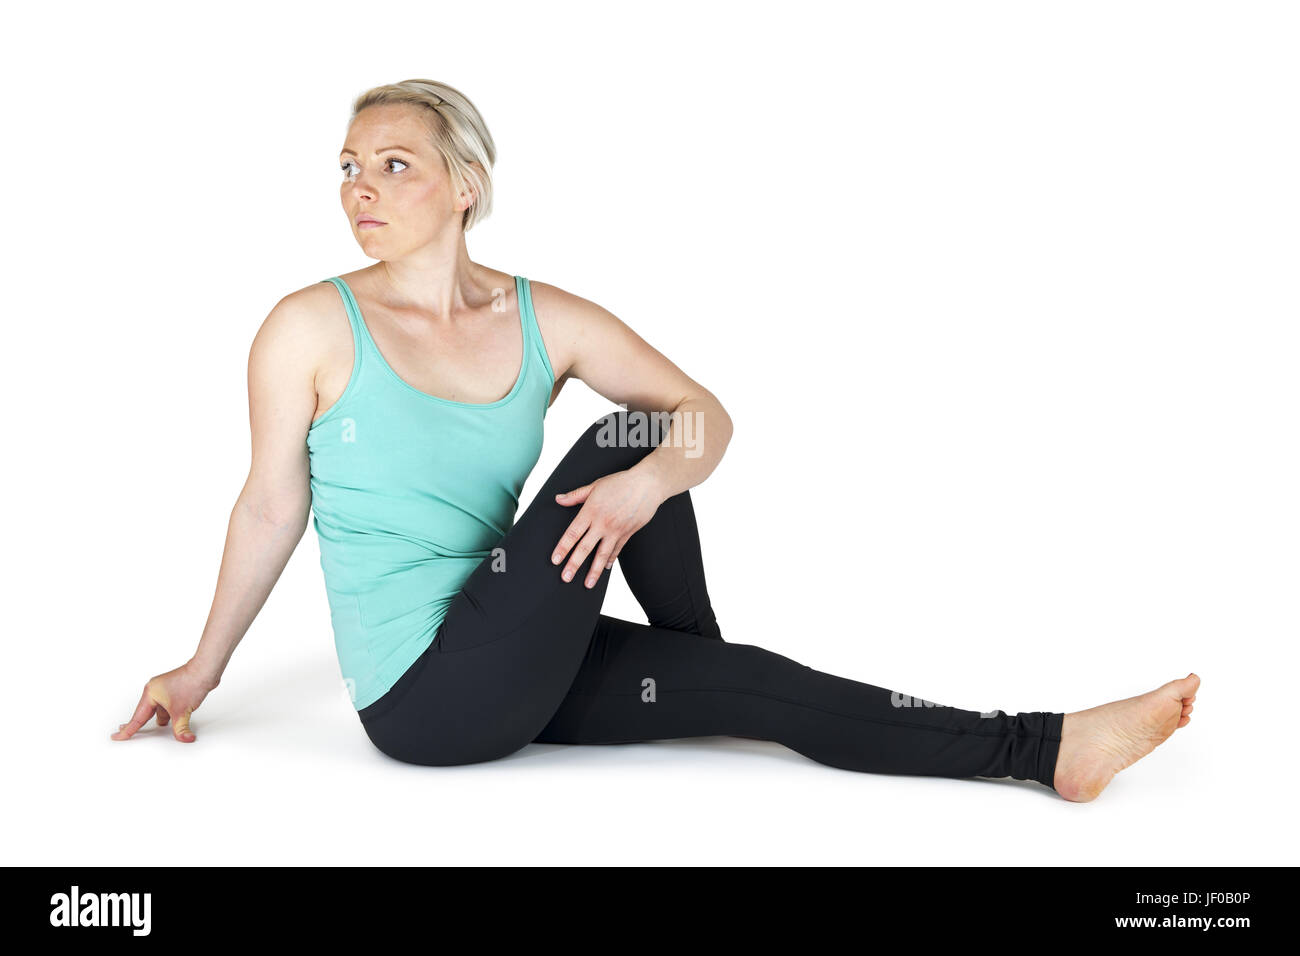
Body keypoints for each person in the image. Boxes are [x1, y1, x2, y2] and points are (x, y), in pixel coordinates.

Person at [111, 78, 1200, 803]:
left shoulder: (544, 318)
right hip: (425, 696)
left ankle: (1048, 746)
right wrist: (200, 669)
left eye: (394, 164)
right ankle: (705, 648)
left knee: (768, 682)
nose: (361, 187)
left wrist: (656, 482)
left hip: (521, 648)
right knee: (620, 433)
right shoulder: (307, 325)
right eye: (349, 166)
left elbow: (704, 415)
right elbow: (269, 502)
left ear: (464, 187)